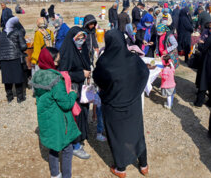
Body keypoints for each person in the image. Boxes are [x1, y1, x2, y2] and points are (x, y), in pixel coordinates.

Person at [93, 30, 149, 178]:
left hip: (113, 106)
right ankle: (144, 165)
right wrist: (136, 90)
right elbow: (145, 73)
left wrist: (109, 90)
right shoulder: (134, 59)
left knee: (117, 136)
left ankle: (121, 169)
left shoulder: (104, 62)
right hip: (133, 104)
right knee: (137, 132)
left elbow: (98, 79)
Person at [32, 47, 80, 178]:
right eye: (57, 59)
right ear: (50, 60)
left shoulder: (37, 76)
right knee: (67, 148)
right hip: (58, 120)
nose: (58, 61)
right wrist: (72, 94)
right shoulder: (56, 80)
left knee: (53, 146)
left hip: (46, 119)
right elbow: (66, 104)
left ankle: (55, 174)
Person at [58, 27, 91, 160]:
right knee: (74, 117)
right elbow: (63, 74)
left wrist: (88, 73)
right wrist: (81, 74)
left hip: (81, 88)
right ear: (72, 38)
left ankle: (79, 140)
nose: (81, 41)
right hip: (71, 91)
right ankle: (75, 146)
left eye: (83, 38)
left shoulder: (82, 51)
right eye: (78, 38)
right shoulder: (66, 52)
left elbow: (86, 65)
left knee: (82, 113)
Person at [0, 17, 27, 103]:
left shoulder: (1, 34)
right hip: (15, 57)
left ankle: (9, 97)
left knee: (7, 79)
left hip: (3, 58)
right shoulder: (17, 32)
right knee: (18, 78)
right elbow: (23, 46)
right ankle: (20, 97)